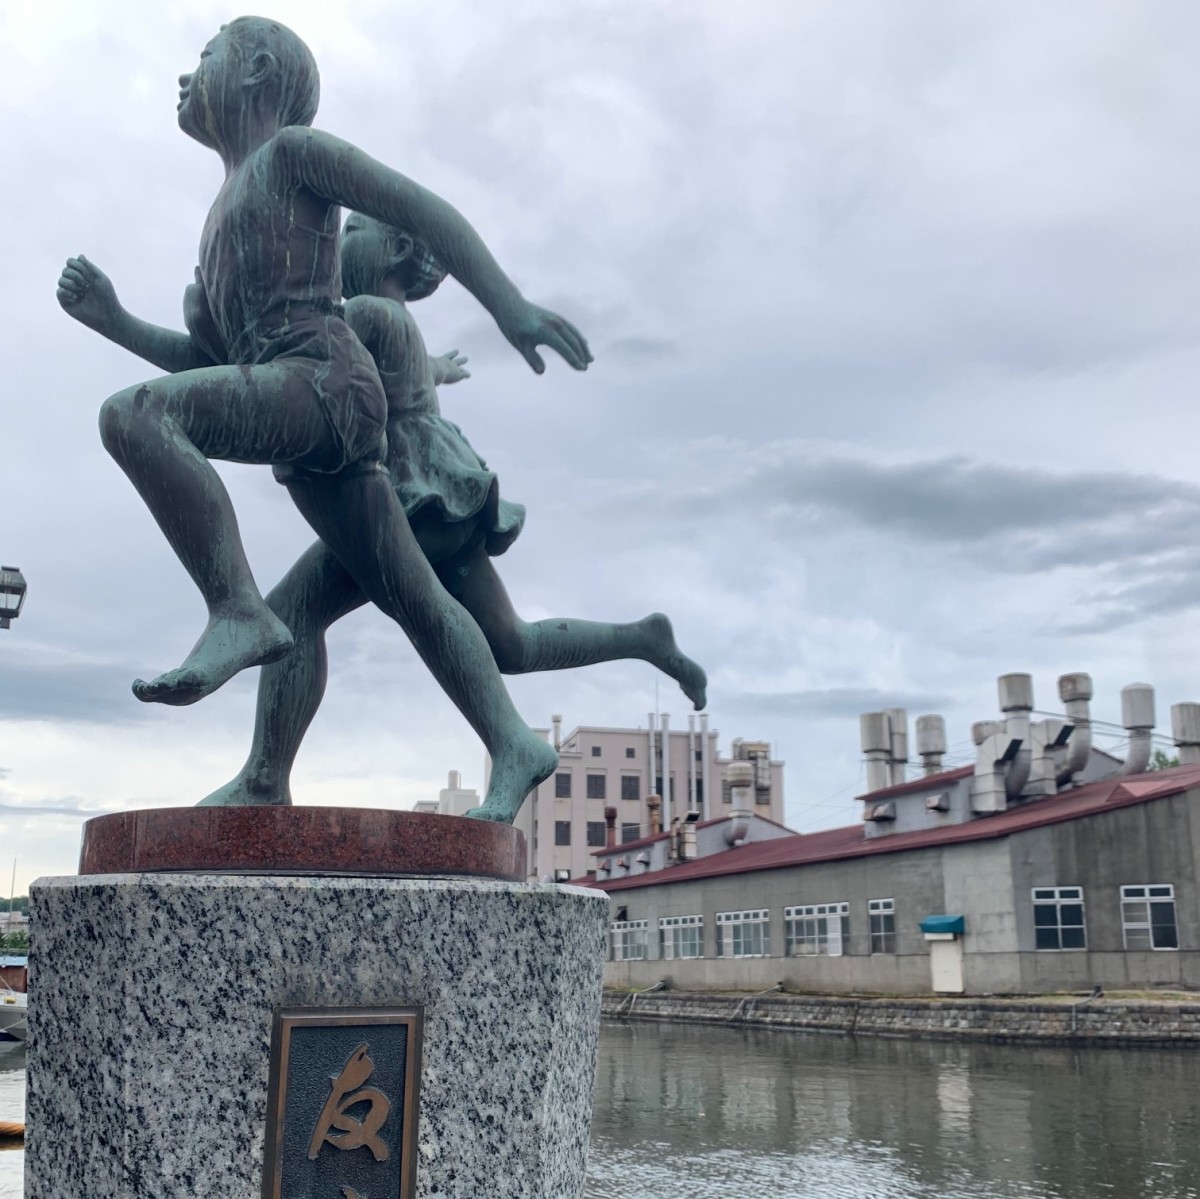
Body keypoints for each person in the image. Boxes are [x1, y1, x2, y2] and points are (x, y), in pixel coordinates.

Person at [55, 16, 589, 819]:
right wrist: (116, 321)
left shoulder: (293, 156)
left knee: (132, 417)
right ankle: (503, 741)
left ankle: (234, 607)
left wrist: (509, 306)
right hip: (300, 419)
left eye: (206, 55)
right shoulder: (222, 215)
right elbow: (215, 367)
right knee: (394, 597)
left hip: (325, 383)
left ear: (256, 71)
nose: (186, 75)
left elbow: (422, 210)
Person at [196, 213, 707, 809]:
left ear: (397, 247)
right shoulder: (392, 321)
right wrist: (437, 368)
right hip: (442, 497)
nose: (336, 244)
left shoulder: (365, 315)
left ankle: (267, 777)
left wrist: (211, 326)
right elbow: (414, 368)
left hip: (409, 496)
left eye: (351, 232)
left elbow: (291, 370)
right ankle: (641, 638)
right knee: (512, 644)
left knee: (295, 610)